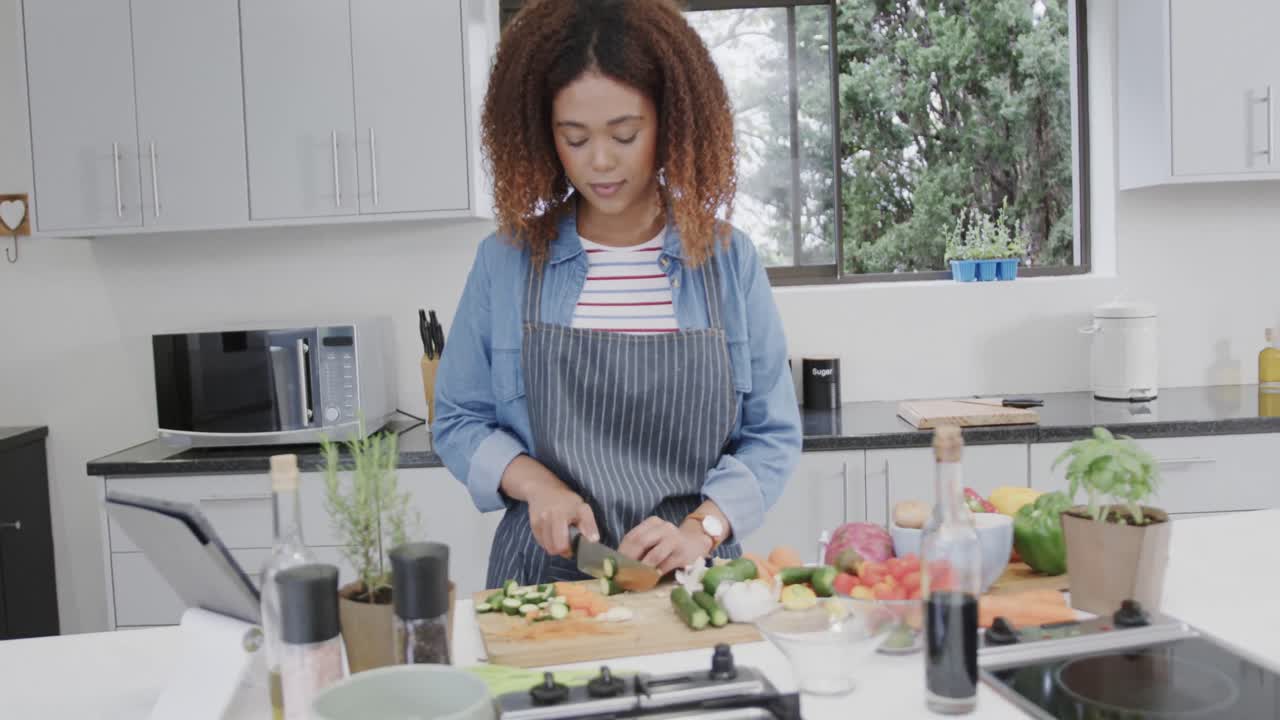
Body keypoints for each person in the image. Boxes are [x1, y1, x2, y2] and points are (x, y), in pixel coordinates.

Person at [433, 0, 801, 588]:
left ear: (671, 124)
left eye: (625, 134)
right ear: (543, 135)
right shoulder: (505, 261)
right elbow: (458, 420)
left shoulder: (729, 260)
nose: (600, 162)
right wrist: (539, 487)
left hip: (690, 578)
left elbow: (771, 435)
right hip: (544, 579)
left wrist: (702, 528)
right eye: (574, 138)